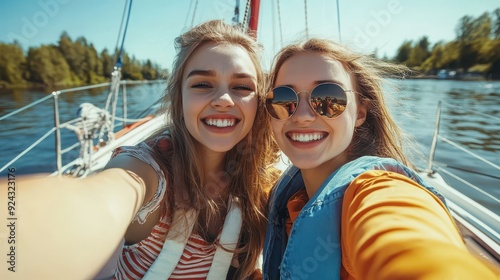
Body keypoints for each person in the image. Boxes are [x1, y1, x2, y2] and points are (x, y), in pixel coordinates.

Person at [0, 20, 279, 280]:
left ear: (259, 102)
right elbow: (98, 202)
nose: (223, 100)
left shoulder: (261, 180)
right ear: (178, 98)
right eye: (202, 84)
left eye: (242, 87)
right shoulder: (147, 172)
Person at [262, 38, 499, 279]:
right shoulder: (290, 198)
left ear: (360, 112)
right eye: (284, 99)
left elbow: (409, 243)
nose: (302, 115)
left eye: (328, 98)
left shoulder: (378, 191)